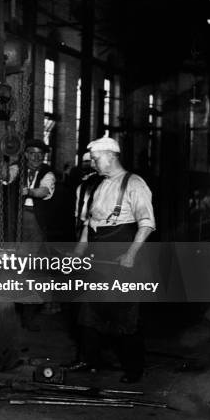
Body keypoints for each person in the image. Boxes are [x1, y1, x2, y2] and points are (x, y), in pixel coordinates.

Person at [70, 137, 155, 383]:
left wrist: (130, 254)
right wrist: (77, 253)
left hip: (121, 257)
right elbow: (90, 224)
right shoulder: (98, 185)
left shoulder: (134, 183)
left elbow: (147, 224)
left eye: (96, 159)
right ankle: (90, 359)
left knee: (124, 315)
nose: (93, 164)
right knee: (88, 311)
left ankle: (133, 368)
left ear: (110, 155)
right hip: (98, 256)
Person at [2, 139, 56, 329]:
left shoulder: (47, 173)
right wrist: (6, 166)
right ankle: (9, 312)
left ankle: (28, 317)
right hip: (14, 221)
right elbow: (4, 179)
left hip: (34, 223)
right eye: (32, 153)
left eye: (40, 154)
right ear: (25, 154)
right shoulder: (17, 168)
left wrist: (29, 191)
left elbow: (44, 191)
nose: (36, 157)